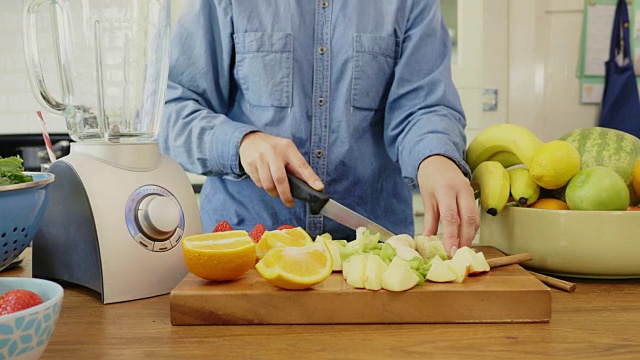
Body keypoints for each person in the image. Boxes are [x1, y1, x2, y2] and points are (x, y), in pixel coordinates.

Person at [159, 0, 479, 256]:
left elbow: (423, 105)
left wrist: (435, 156)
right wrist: (241, 143)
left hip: (372, 257)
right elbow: (172, 109)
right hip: (245, 253)